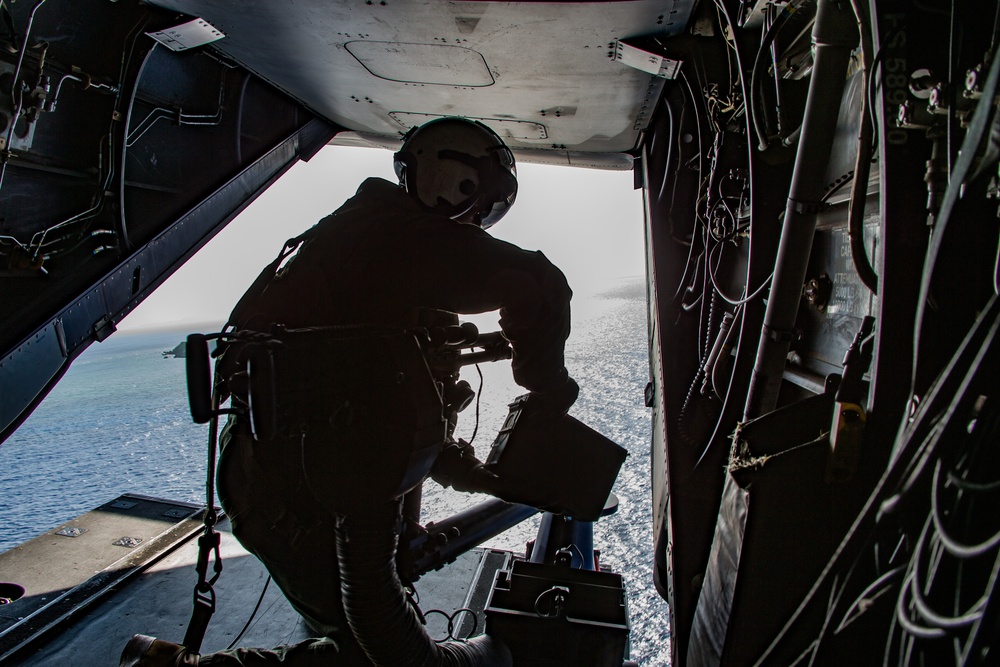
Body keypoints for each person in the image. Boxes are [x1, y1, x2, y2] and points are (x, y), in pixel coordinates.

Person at [121, 117, 578, 667]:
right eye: (482, 203)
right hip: (301, 491)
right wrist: (548, 391)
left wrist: (468, 469)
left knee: (364, 635)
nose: (479, 222)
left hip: (304, 474)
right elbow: (537, 286)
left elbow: (384, 409)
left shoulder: (378, 257)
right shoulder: (388, 237)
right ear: (452, 180)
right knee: (373, 649)